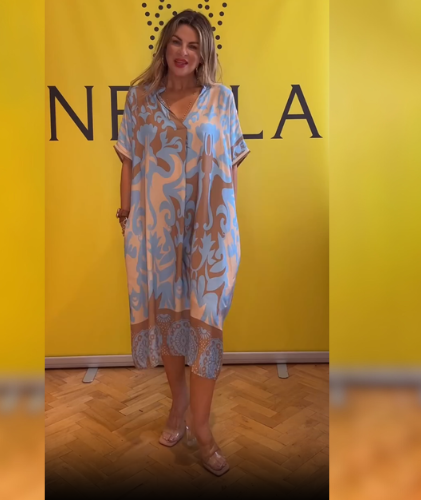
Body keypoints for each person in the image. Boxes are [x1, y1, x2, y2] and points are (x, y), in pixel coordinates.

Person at [114, 9, 249, 476]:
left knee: (206, 326)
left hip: (210, 237)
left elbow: (231, 164)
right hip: (156, 234)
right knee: (170, 321)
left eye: (193, 46)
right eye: (177, 42)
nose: (183, 53)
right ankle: (178, 405)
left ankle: (203, 430)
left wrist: (229, 226)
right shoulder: (139, 100)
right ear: (165, 46)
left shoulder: (221, 100)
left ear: (204, 53)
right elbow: (129, 162)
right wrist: (125, 217)